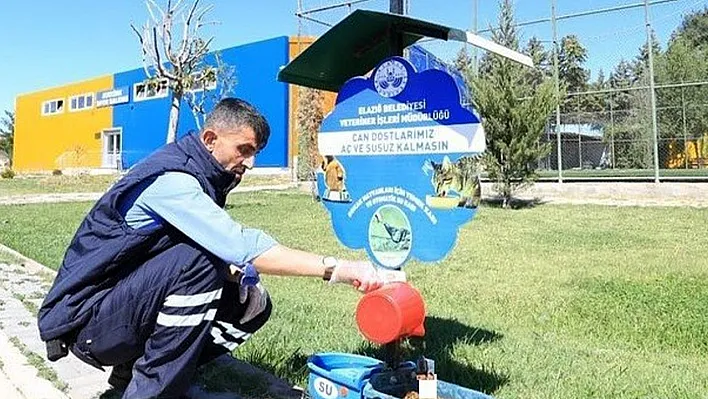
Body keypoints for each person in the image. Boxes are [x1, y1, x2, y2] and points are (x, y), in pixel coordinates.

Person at [37, 98, 386, 398]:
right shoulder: (174, 180)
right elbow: (242, 245)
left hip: (118, 306)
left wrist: (233, 273)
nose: (250, 163)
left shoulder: (203, 174)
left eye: (255, 153)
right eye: (244, 150)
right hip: (85, 321)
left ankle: (146, 375)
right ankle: (154, 390)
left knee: (250, 302)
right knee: (201, 263)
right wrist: (338, 268)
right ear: (210, 139)